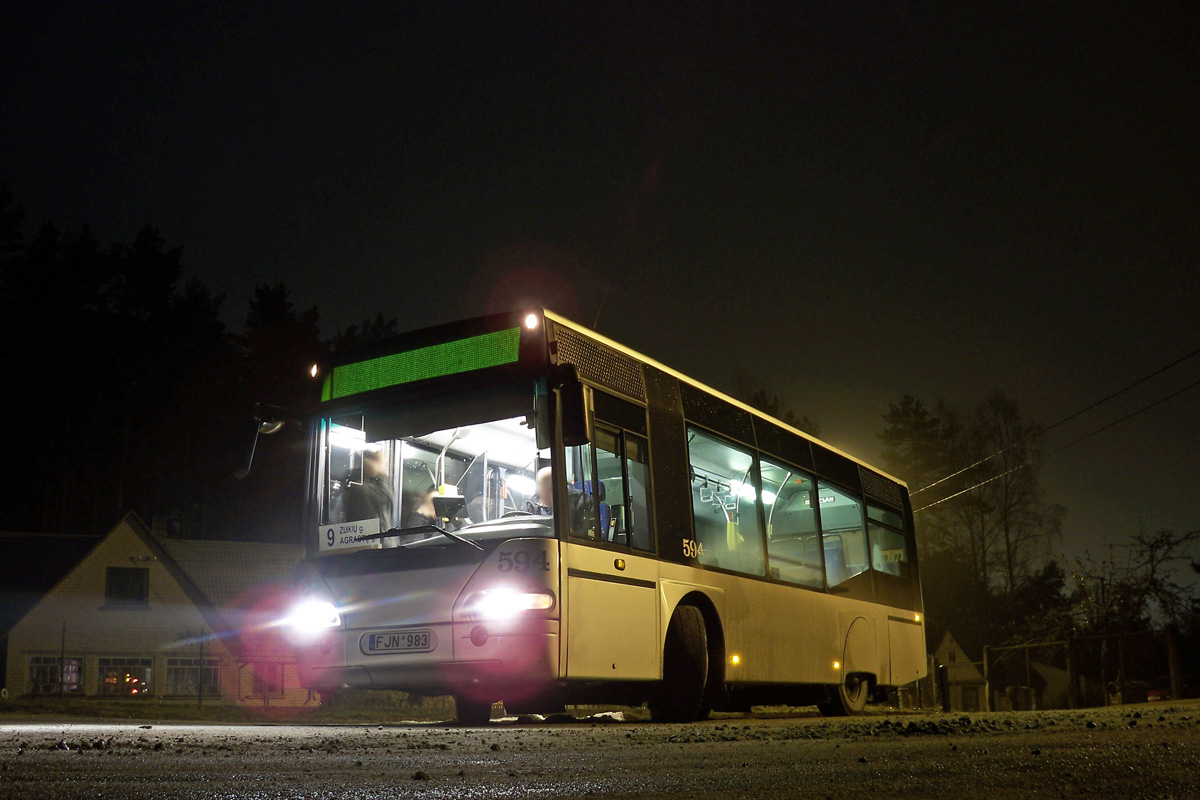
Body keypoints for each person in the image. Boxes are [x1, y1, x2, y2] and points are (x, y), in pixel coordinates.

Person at [343, 448, 394, 532]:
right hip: (365, 535)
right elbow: (382, 497)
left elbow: (389, 497)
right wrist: (380, 473)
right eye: (379, 463)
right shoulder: (356, 483)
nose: (383, 467)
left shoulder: (375, 482)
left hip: (377, 534)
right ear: (367, 462)